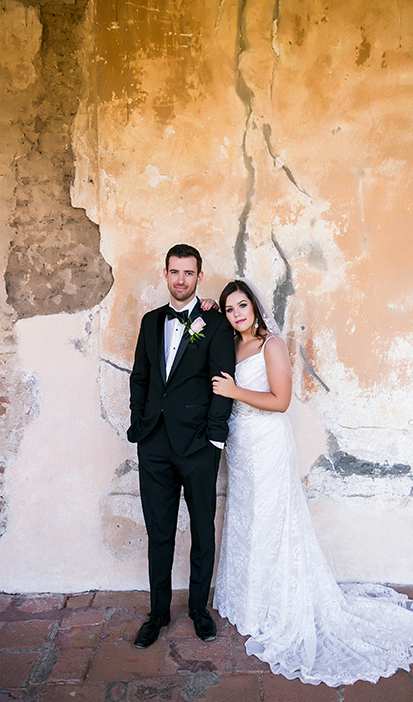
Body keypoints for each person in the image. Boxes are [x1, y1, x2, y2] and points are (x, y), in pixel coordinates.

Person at [211, 279, 413, 686]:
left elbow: (280, 401)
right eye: (229, 309)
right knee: (246, 520)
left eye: (242, 305)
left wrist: (234, 390)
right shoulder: (232, 342)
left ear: (255, 307)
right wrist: (209, 308)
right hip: (240, 446)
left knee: (270, 520)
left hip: (267, 443)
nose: (237, 314)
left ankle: (272, 606)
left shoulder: (271, 344)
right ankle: (248, 602)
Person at [127, 244, 235, 648]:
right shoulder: (151, 321)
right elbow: (140, 376)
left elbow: (222, 382)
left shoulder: (215, 322)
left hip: (198, 446)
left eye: (188, 273)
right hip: (153, 443)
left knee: (203, 529)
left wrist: (214, 437)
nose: (180, 280)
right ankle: (157, 613)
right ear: (165, 273)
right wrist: (140, 423)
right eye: (174, 272)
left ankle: (198, 610)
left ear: (199, 277)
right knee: (160, 531)